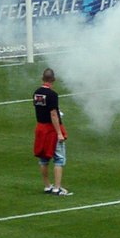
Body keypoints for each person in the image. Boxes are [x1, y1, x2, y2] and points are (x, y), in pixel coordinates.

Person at [33, 68, 71, 196]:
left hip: (40, 128)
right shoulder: (52, 95)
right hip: (50, 130)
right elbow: (53, 114)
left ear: (42, 78)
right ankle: (57, 188)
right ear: (53, 80)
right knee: (59, 159)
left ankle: (47, 186)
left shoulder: (36, 93)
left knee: (43, 158)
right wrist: (59, 132)